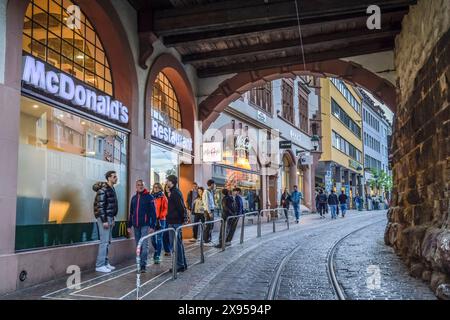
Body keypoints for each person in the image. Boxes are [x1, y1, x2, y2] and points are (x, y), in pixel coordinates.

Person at [127, 180, 157, 273]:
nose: (140, 186)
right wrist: (129, 225)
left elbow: (153, 213)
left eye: (141, 185)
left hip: (145, 225)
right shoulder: (134, 198)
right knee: (138, 246)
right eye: (138, 185)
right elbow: (131, 213)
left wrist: (152, 226)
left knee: (144, 245)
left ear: (144, 186)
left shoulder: (149, 197)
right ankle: (139, 264)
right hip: (136, 225)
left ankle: (143, 265)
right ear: (136, 186)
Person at [93, 171, 119, 273]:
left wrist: (113, 218)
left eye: (116, 176)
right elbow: (100, 206)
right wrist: (104, 220)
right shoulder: (103, 190)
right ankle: (99, 265)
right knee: (104, 242)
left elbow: (111, 205)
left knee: (107, 242)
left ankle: (105, 263)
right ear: (109, 178)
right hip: (104, 218)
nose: (116, 178)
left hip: (109, 217)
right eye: (114, 177)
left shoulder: (112, 188)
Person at [165, 175, 188, 273]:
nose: (166, 182)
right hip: (174, 221)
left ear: (171, 182)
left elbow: (180, 207)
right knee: (178, 243)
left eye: (167, 181)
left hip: (174, 222)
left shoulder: (175, 193)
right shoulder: (174, 192)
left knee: (175, 244)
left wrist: (183, 218)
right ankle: (182, 264)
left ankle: (179, 265)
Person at [150, 183, 169, 264]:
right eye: (154, 187)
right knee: (152, 238)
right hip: (152, 220)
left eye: (157, 187)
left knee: (159, 238)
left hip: (161, 220)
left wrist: (161, 216)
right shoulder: (151, 197)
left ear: (160, 188)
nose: (156, 188)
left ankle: (157, 256)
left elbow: (166, 208)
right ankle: (157, 250)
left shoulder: (163, 197)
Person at [203, 179, 216, 246]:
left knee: (211, 225)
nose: (214, 185)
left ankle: (209, 239)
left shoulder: (211, 191)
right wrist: (209, 212)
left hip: (211, 210)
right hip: (208, 211)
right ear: (211, 184)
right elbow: (206, 203)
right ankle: (206, 240)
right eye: (214, 184)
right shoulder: (206, 192)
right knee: (208, 225)